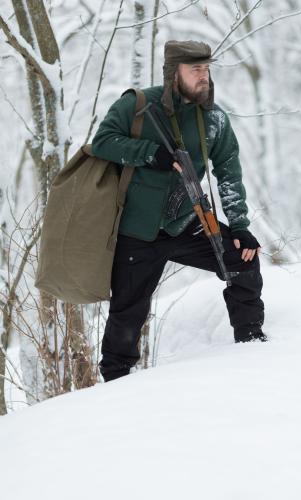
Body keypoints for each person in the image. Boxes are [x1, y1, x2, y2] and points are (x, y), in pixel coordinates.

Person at [91, 40, 266, 382]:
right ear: (174, 74)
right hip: (137, 230)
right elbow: (103, 142)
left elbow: (228, 170)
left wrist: (241, 226)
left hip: (187, 223)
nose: (204, 77)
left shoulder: (213, 118)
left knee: (243, 259)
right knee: (127, 312)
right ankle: (114, 385)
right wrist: (149, 153)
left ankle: (251, 346)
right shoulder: (137, 106)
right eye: (195, 70)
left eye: (206, 69)